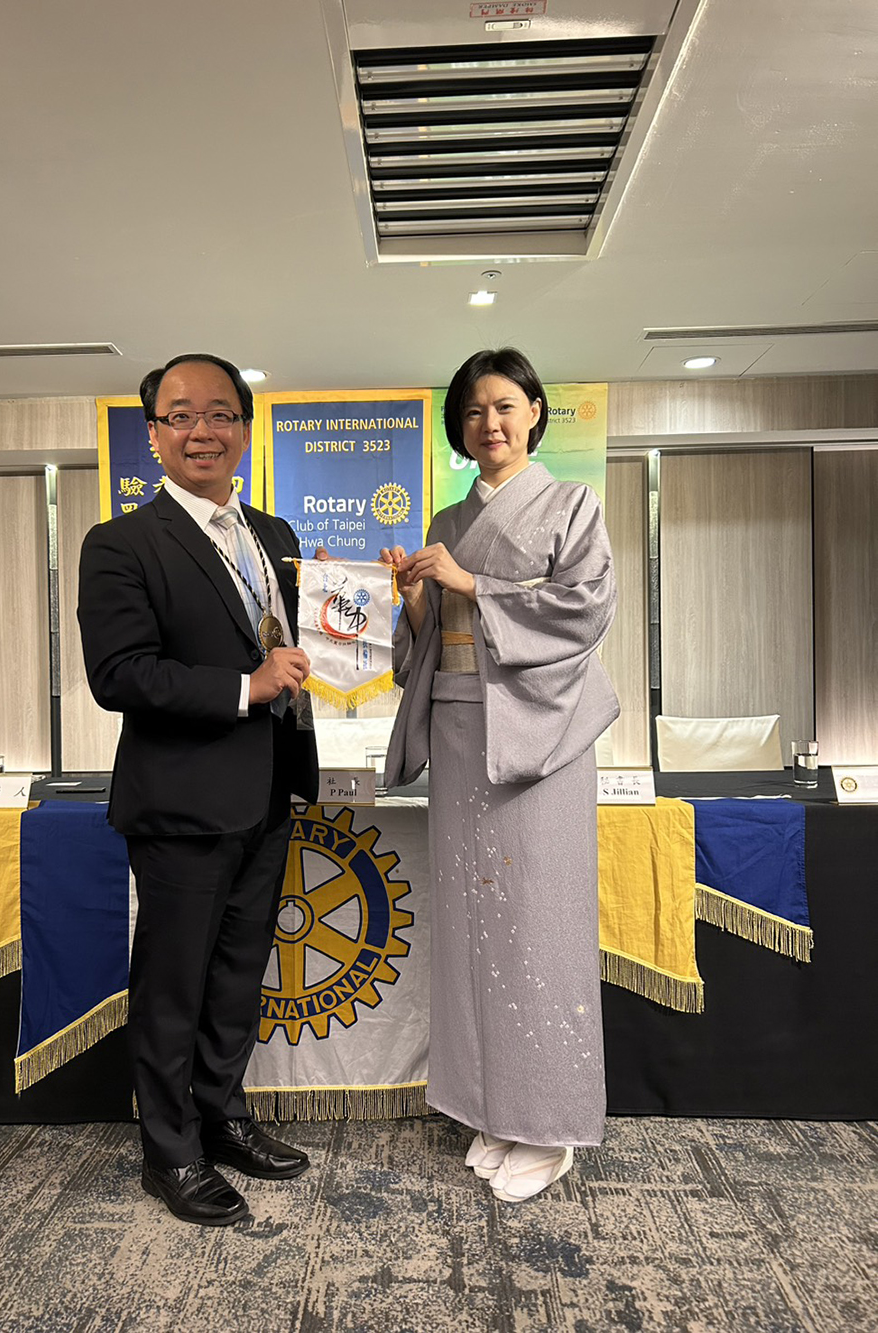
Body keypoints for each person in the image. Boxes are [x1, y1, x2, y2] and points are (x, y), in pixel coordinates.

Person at [78, 353, 319, 1227]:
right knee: (174, 982)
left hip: (269, 792)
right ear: (153, 435)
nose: (202, 430)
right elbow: (120, 673)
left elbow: (291, 642)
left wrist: (359, 607)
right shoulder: (120, 543)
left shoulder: (274, 533)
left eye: (221, 413)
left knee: (237, 977)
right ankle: (169, 1150)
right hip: (181, 801)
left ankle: (222, 1115)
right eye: (181, 415)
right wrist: (244, 687)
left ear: (245, 430)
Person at [382, 347, 618, 1203]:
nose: (491, 423)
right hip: (458, 731)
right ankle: (491, 1107)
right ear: (460, 426)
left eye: (506, 405)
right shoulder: (448, 517)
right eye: (475, 410)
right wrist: (420, 602)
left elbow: (586, 608)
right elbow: (429, 644)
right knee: (472, 924)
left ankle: (550, 1125)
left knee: (537, 924)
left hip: (538, 739)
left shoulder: (571, 504)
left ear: (535, 412)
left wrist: (473, 582)